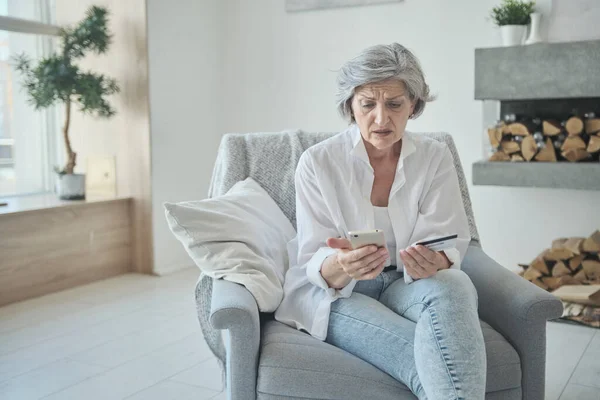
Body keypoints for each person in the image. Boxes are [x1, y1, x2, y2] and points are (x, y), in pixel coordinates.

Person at [274, 43, 486, 399]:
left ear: (413, 105)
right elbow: (313, 258)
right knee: (432, 363)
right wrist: (341, 264)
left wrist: (438, 259)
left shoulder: (434, 157)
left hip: (408, 283)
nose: (381, 119)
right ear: (350, 107)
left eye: (394, 104)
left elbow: (449, 239)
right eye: (367, 104)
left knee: (457, 285)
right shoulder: (317, 163)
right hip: (342, 292)